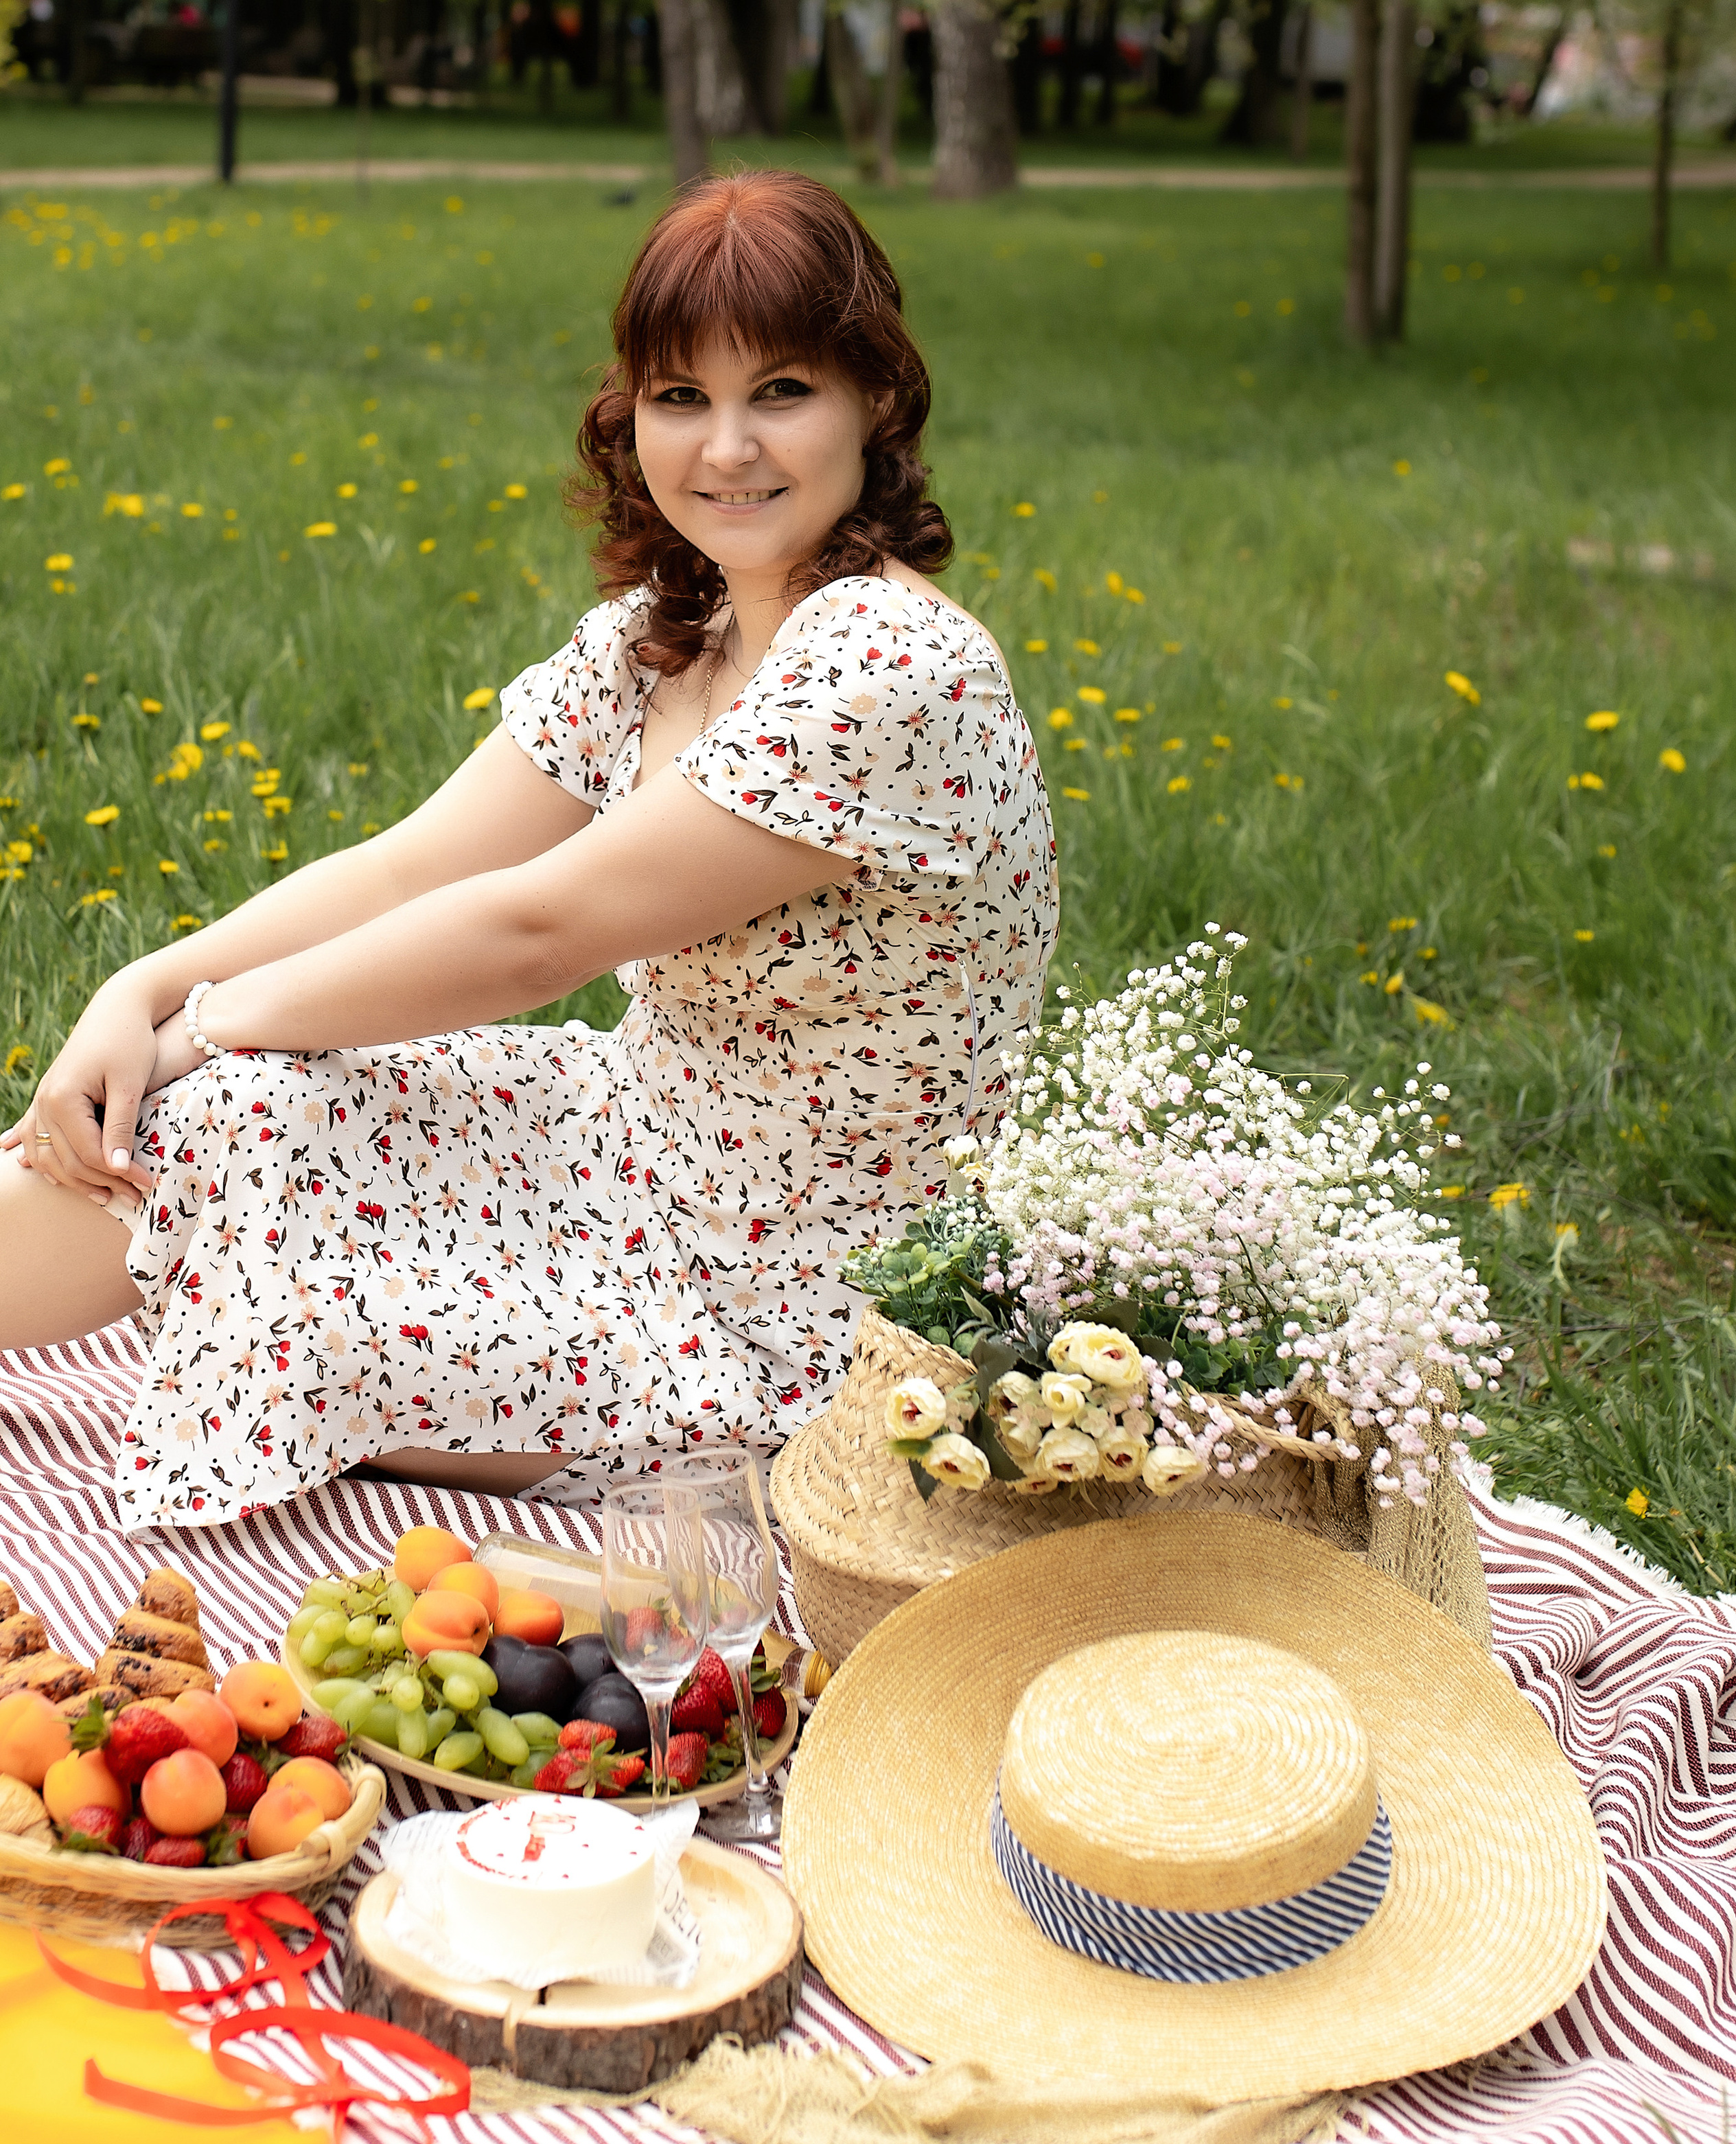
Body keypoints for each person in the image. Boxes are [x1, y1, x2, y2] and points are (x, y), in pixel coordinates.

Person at [0, 171, 1057, 1531]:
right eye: (682, 397)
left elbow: (534, 933)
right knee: (235, 1111)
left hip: (790, 1310)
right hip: (621, 1146)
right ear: (635, 416)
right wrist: (137, 995)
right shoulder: (672, 630)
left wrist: (203, 1023)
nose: (726, 446)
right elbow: (410, 868)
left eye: (779, 390)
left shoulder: (888, 665)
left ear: (875, 400)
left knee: (279, 1232)